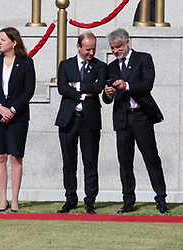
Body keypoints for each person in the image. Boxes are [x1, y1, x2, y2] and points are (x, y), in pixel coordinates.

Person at [102, 28, 169, 214]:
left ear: (127, 42)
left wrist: (127, 85)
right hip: (122, 117)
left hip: (141, 115)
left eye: (118, 47)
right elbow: (106, 98)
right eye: (112, 48)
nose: (115, 51)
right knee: (125, 161)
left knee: (151, 157)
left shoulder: (143, 58)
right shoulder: (112, 67)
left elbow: (148, 84)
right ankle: (128, 200)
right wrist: (107, 94)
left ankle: (161, 198)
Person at [0, 27, 35, 213]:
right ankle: (2, 199)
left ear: (14, 42)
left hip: (18, 117)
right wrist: (0, 108)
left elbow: (29, 90)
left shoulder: (26, 63)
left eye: (3, 39)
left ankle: (14, 200)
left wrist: (12, 110)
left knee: (15, 157)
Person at [55, 33, 107, 215]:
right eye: (87, 49)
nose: (91, 52)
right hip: (68, 118)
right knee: (69, 162)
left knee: (90, 161)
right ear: (78, 47)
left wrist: (75, 86)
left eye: (93, 49)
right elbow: (62, 88)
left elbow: (98, 87)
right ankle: (70, 198)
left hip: (89, 119)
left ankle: (90, 199)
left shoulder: (100, 66)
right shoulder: (66, 65)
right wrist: (83, 91)